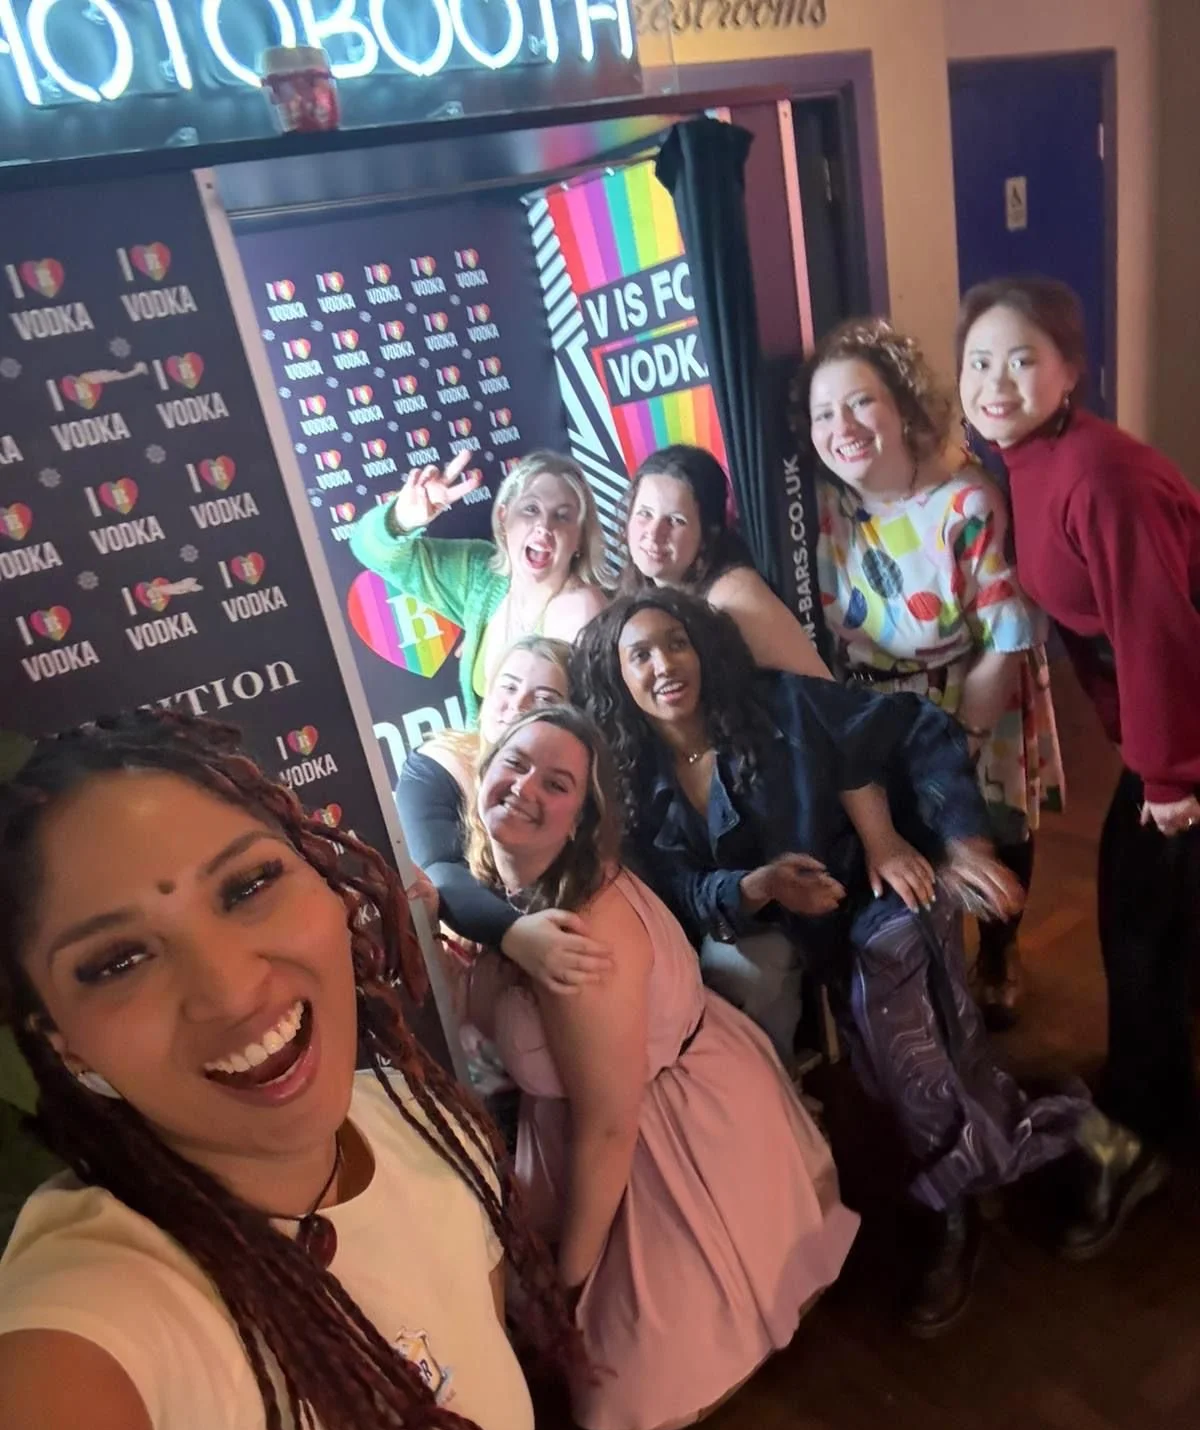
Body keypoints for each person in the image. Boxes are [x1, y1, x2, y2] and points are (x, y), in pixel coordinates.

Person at [0, 710, 572, 1430]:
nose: (230, 991)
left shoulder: (431, 1130)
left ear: (327, 884)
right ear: (64, 1045)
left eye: (247, 885)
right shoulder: (99, 1308)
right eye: (118, 961)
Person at [572, 590, 1164, 1335]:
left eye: (675, 642)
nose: (664, 664)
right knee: (932, 1068)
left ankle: (951, 1213)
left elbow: (919, 727)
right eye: (641, 654)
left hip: (893, 896)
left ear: (701, 647)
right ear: (617, 677)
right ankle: (1102, 1142)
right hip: (817, 934)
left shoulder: (778, 704)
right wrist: (759, 886)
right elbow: (680, 891)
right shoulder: (637, 782)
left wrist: (962, 845)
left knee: (908, 1058)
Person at [461, 703, 858, 1430]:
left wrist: (567, 1289)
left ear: (582, 823)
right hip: (605, 1125)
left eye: (556, 784)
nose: (524, 788)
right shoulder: (505, 889)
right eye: (514, 764)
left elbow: (609, 1128)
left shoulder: (585, 939)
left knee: (626, 1390)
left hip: (658, 1139)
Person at [958, 275, 1200, 1148]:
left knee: (1139, 920)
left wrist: (1167, 774)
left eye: (1023, 360)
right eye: (978, 361)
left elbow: (1154, 629)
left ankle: (1148, 1125)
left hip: (1186, 724)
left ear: (1071, 373)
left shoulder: (1099, 474)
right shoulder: (1026, 459)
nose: (996, 382)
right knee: (1160, 915)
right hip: (1163, 720)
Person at [804, 318, 1064, 1030]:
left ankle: (1001, 951)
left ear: (903, 407)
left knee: (995, 825)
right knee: (906, 840)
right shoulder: (819, 503)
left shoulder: (966, 501)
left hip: (972, 683)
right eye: (824, 413)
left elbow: (1005, 637)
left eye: (861, 402)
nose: (842, 427)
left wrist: (962, 742)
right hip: (871, 700)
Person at [397, 634, 612, 996]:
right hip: (471, 973)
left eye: (544, 699)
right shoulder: (439, 763)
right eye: (508, 687)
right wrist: (515, 933)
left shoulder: (589, 783)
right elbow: (436, 868)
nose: (517, 705)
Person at [351, 448, 609, 723]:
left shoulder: (581, 611)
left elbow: (579, 730)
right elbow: (370, 552)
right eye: (531, 509)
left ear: (580, 538)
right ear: (503, 517)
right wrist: (401, 520)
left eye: (562, 516)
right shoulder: (480, 574)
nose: (544, 526)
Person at [618, 442, 831, 680]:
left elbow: (823, 692)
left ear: (708, 534)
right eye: (645, 514)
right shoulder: (643, 587)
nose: (654, 533)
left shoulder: (733, 596)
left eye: (676, 520)